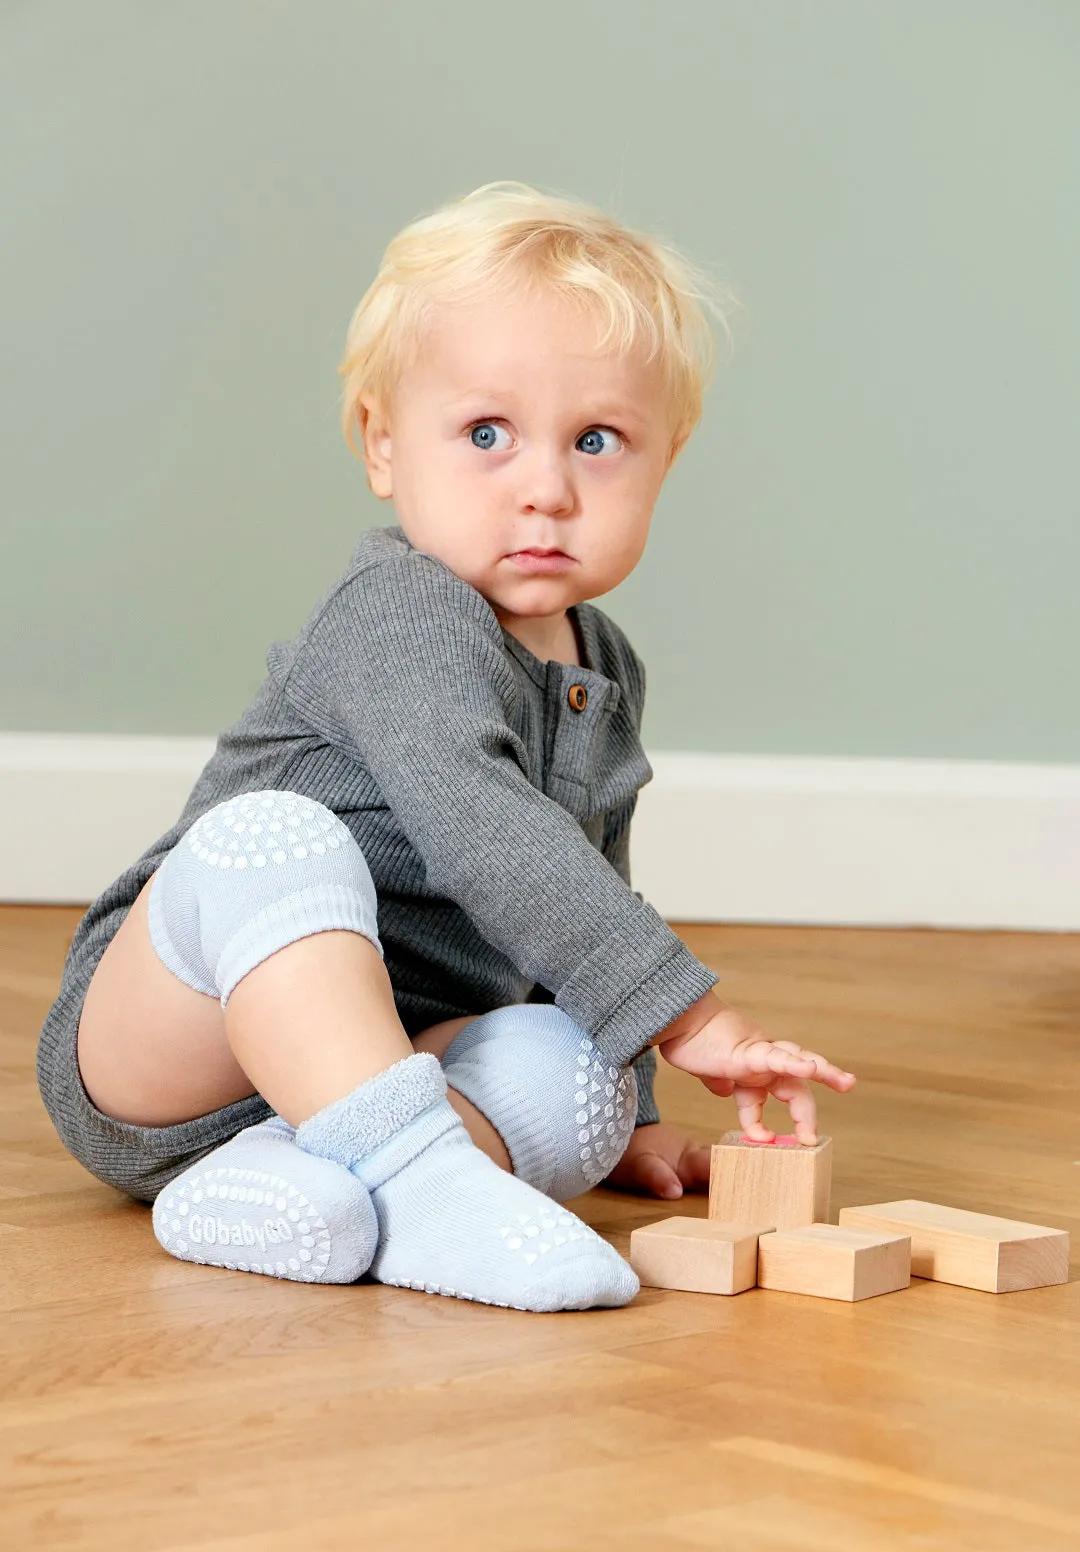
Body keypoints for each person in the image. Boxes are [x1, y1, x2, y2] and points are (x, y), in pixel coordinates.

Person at [37, 180, 856, 1313]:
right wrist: (690, 1015)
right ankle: (422, 1187)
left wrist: (639, 1107)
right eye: (486, 434)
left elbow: (585, 876)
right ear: (383, 445)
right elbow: (492, 831)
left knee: (579, 1069)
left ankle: (301, 1187)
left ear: (667, 457)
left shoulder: (602, 660)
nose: (546, 489)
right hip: (180, 1050)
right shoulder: (401, 612)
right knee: (270, 839)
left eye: (599, 441)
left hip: (389, 1063)